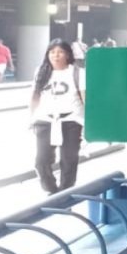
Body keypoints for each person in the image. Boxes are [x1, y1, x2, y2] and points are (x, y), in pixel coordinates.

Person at [29, 39, 84, 194]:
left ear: (67, 54)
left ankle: (66, 193)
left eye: (60, 52)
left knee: (69, 160)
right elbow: (35, 96)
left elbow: (84, 98)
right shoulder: (41, 72)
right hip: (45, 120)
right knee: (41, 162)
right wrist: (31, 117)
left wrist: (89, 122)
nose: (56, 55)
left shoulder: (77, 72)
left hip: (71, 121)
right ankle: (52, 191)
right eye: (52, 52)